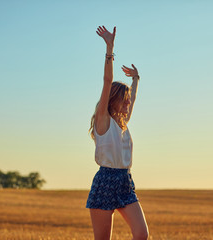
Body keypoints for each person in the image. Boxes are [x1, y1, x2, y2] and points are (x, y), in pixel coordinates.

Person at [86, 25, 149, 240]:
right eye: (125, 100)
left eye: (129, 100)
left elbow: (133, 102)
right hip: (105, 181)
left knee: (141, 234)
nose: (128, 104)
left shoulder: (123, 123)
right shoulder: (103, 120)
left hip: (125, 181)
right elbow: (106, 82)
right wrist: (110, 48)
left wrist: (136, 80)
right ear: (114, 100)